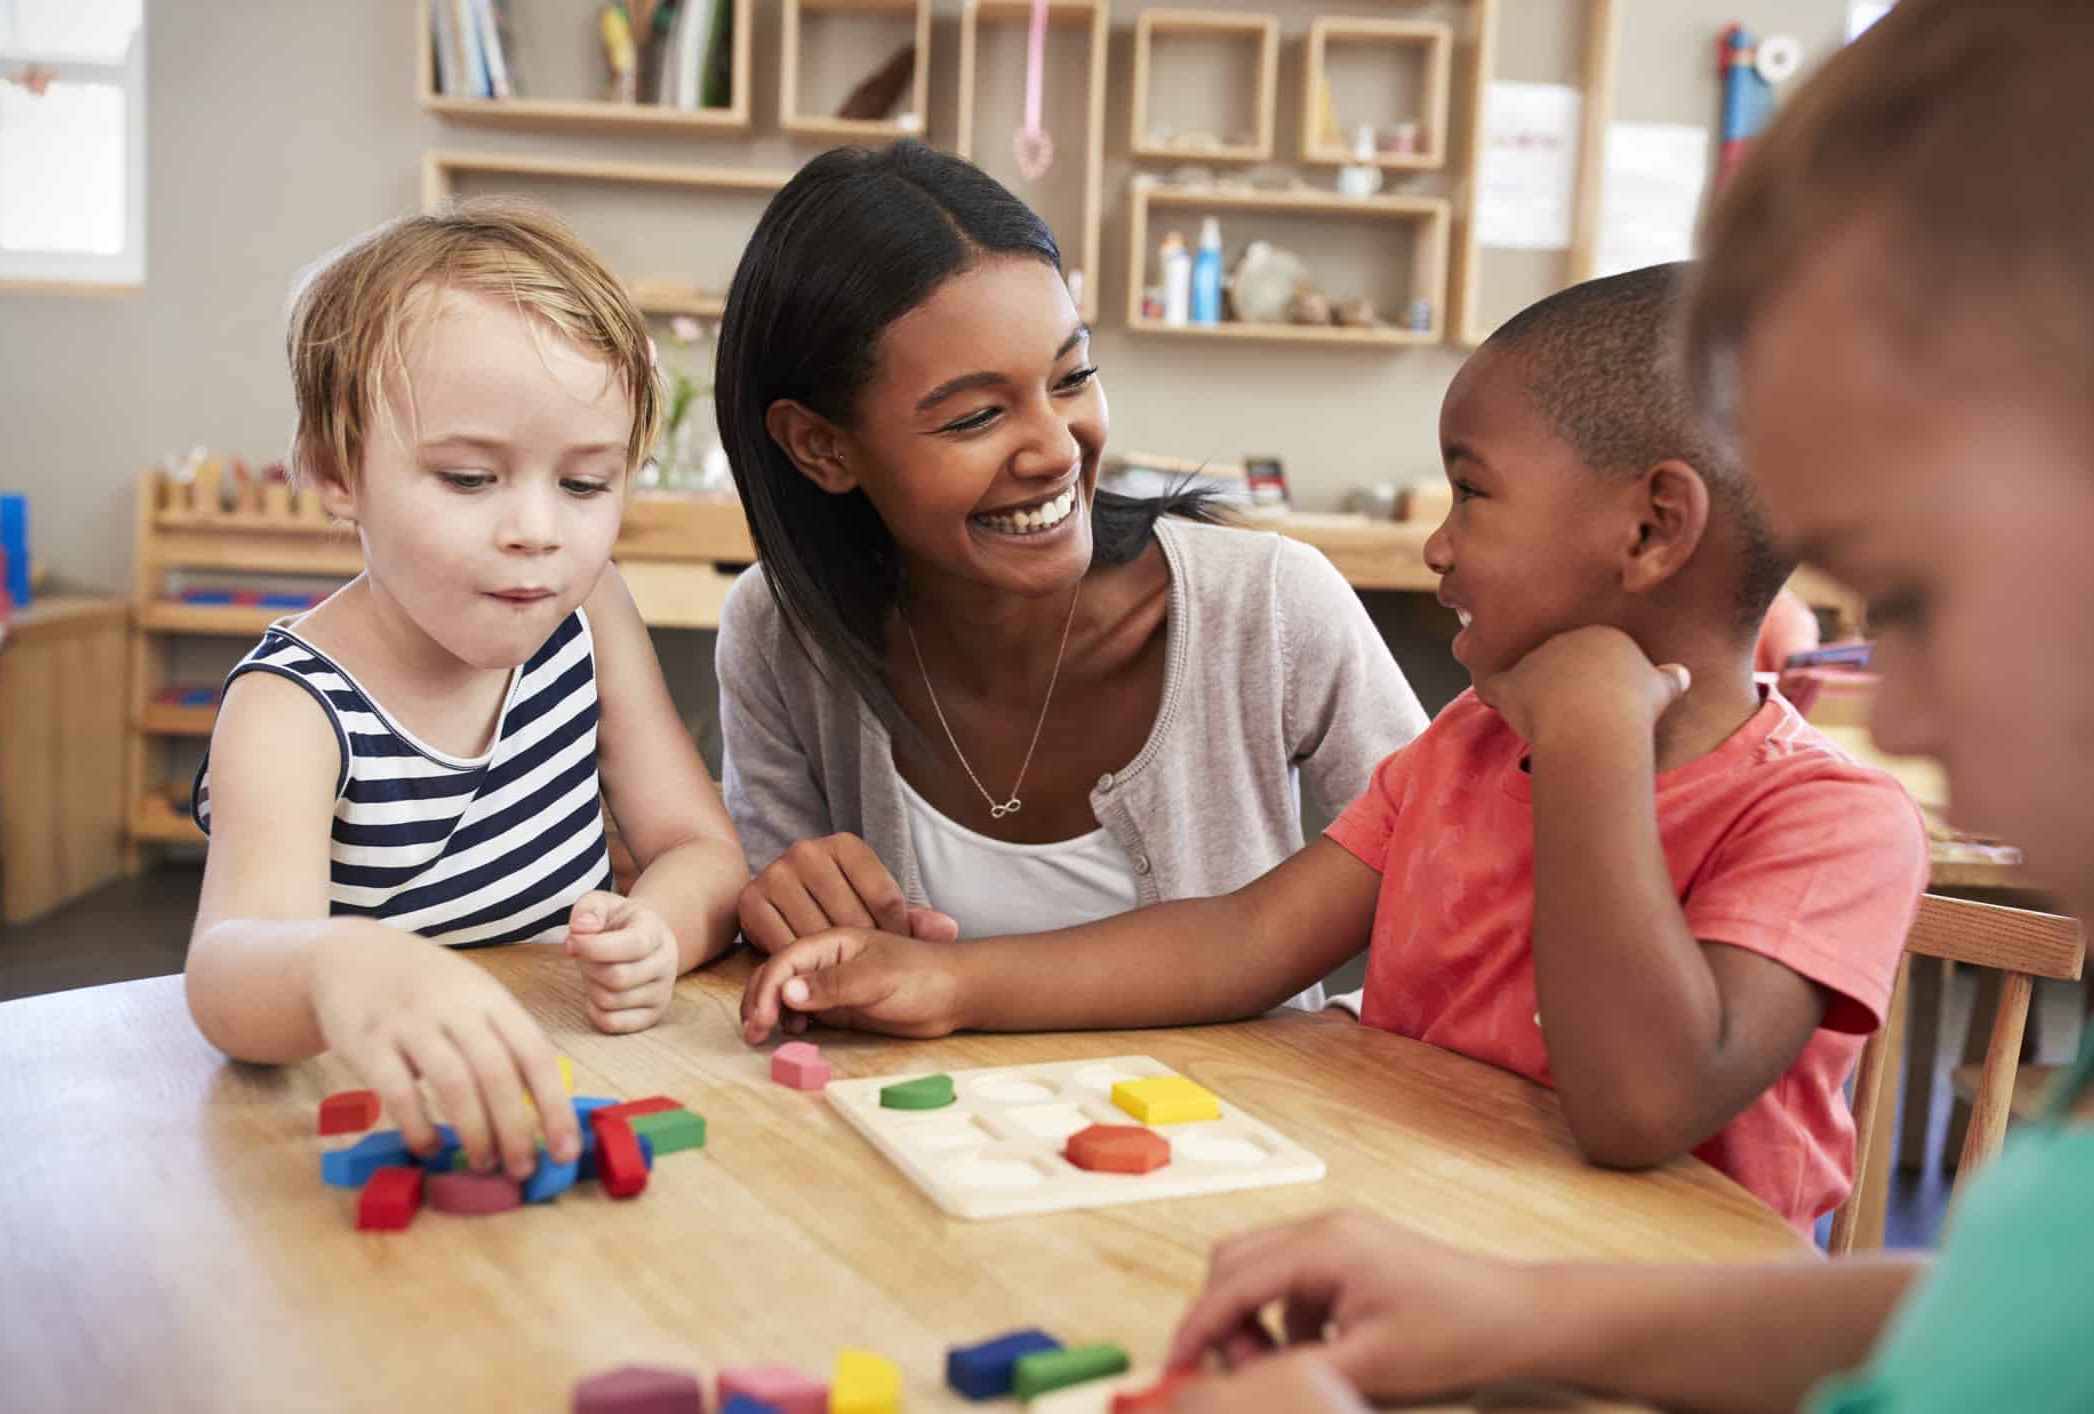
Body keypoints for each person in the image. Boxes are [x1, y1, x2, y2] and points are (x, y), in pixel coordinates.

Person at [1166, 3, 2094, 1409]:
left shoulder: (1810, 808)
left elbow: (1644, 1106)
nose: (1890, 713)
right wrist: (1518, 1318)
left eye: (1908, 590)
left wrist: (1597, 732)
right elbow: (1965, 1321)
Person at [740, 262, 1929, 1231]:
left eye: (1472, 494)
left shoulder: (1832, 826)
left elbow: (1638, 1105)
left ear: (1654, 524)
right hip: (1418, 1253)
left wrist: (1593, 743)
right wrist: (952, 982)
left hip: (1657, 1340)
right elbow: (1244, 936)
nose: (1440, 549)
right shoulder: (1467, 748)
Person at [714, 141, 1425, 1011]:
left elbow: (1451, 889)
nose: (1055, 448)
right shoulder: (782, 632)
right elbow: (787, 968)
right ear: (822, 447)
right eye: (976, 415)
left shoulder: (1269, 605)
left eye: (1072, 376)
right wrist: (771, 907)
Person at [186, 201, 747, 1181]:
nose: (538, 530)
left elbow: (701, 849)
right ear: (334, 470)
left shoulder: (590, 612)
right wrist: (334, 966)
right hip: (367, 1127)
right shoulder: (292, 707)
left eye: (584, 486)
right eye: (470, 476)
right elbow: (226, 978)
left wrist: (658, 926)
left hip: (565, 1096)